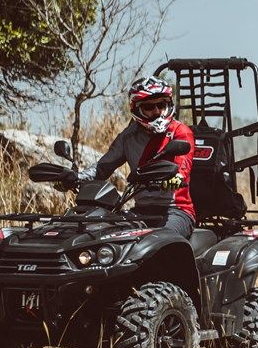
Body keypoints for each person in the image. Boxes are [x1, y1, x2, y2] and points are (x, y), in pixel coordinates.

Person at [77, 76, 197, 238]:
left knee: (162, 240)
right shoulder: (128, 136)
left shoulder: (180, 131)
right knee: (105, 234)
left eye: (161, 105)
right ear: (137, 109)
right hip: (141, 210)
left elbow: (183, 165)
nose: (156, 111)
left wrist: (176, 178)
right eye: (148, 107)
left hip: (176, 210)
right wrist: (75, 177)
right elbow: (102, 168)